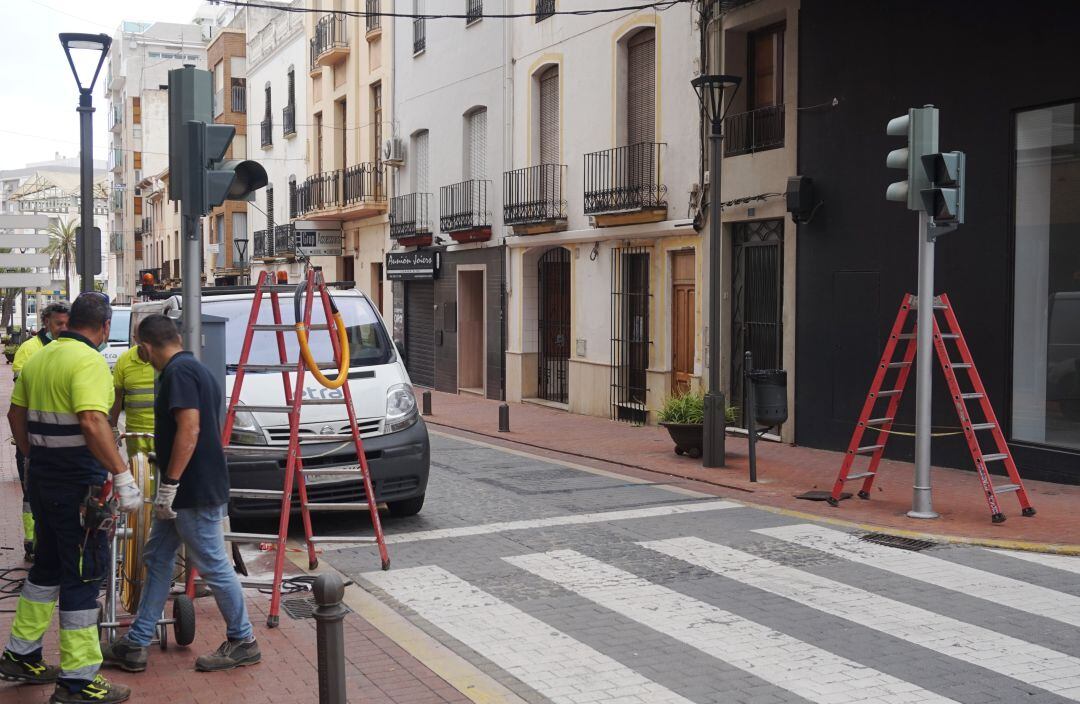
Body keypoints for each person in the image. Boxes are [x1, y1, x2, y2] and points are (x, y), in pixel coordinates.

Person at [0, 293, 142, 704]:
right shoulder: (90, 362)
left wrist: (33, 455)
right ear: (103, 326)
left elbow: (14, 415)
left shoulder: (42, 356)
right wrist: (122, 474)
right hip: (79, 482)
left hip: (43, 477)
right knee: (84, 573)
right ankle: (79, 681)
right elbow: (93, 420)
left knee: (46, 565)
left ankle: (21, 654)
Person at [102, 314, 260, 674]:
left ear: (145, 346)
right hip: (189, 488)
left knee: (214, 566)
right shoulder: (196, 369)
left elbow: (189, 429)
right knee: (157, 557)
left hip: (191, 490)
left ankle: (243, 640)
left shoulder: (177, 373)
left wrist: (170, 485)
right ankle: (137, 643)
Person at [11, 301, 69, 562]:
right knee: (31, 494)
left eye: (67, 324)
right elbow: (21, 398)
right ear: (46, 322)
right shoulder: (29, 349)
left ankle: (54, 542)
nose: (63, 328)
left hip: (61, 440)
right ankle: (32, 540)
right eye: (59, 324)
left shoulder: (71, 349)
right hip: (34, 437)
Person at [109, 336, 156, 458]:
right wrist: (113, 428)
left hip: (162, 430)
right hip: (135, 432)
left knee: (162, 474)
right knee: (139, 474)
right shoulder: (124, 360)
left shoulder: (163, 358)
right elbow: (117, 397)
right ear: (135, 338)